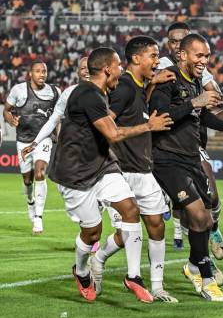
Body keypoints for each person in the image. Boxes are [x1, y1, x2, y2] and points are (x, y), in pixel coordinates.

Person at [47, 47, 173, 302]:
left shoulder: (103, 91)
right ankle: (81, 271)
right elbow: (113, 134)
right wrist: (148, 125)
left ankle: (134, 277)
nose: (121, 71)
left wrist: (150, 81)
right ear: (107, 69)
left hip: (103, 165)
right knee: (92, 232)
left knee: (130, 210)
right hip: (75, 173)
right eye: (118, 66)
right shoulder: (87, 94)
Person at [90, 36, 179, 303]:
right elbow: (106, 125)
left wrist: (152, 83)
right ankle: (100, 260)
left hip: (143, 170)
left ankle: (158, 286)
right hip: (122, 172)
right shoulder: (125, 88)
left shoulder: (138, 86)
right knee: (127, 233)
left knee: (156, 225)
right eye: (153, 55)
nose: (157, 61)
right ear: (137, 59)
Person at [149, 33, 223, 301]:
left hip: (191, 158)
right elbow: (159, 118)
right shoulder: (168, 78)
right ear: (182, 54)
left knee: (205, 219)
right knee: (196, 214)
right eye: (199, 55)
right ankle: (206, 280)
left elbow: (202, 116)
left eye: (207, 56)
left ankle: (193, 265)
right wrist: (195, 102)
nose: (204, 61)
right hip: (167, 158)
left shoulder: (194, 82)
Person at [22, 57, 123, 242]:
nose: (85, 71)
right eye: (82, 68)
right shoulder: (69, 93)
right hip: (78, 158)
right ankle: (91, 240)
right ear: (77, 71)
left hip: (103, 153)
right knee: (86, 214)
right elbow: (53, 120)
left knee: (113, 190)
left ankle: (115, 221)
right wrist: (35, 142)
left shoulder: (111, 89)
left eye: (88, 68)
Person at [3, 59, 60, 233]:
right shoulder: (18, 90)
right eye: (38, 71)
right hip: (23, 140)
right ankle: (30, 202)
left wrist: (57, 133)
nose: (42, 74)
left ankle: (38, 218)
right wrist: (11, 120)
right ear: (30, 74)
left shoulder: (55, 92)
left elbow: (57, 116)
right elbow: (6, 109)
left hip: (43, 140)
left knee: (40, 172)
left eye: (44, 71)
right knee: (28, 180)